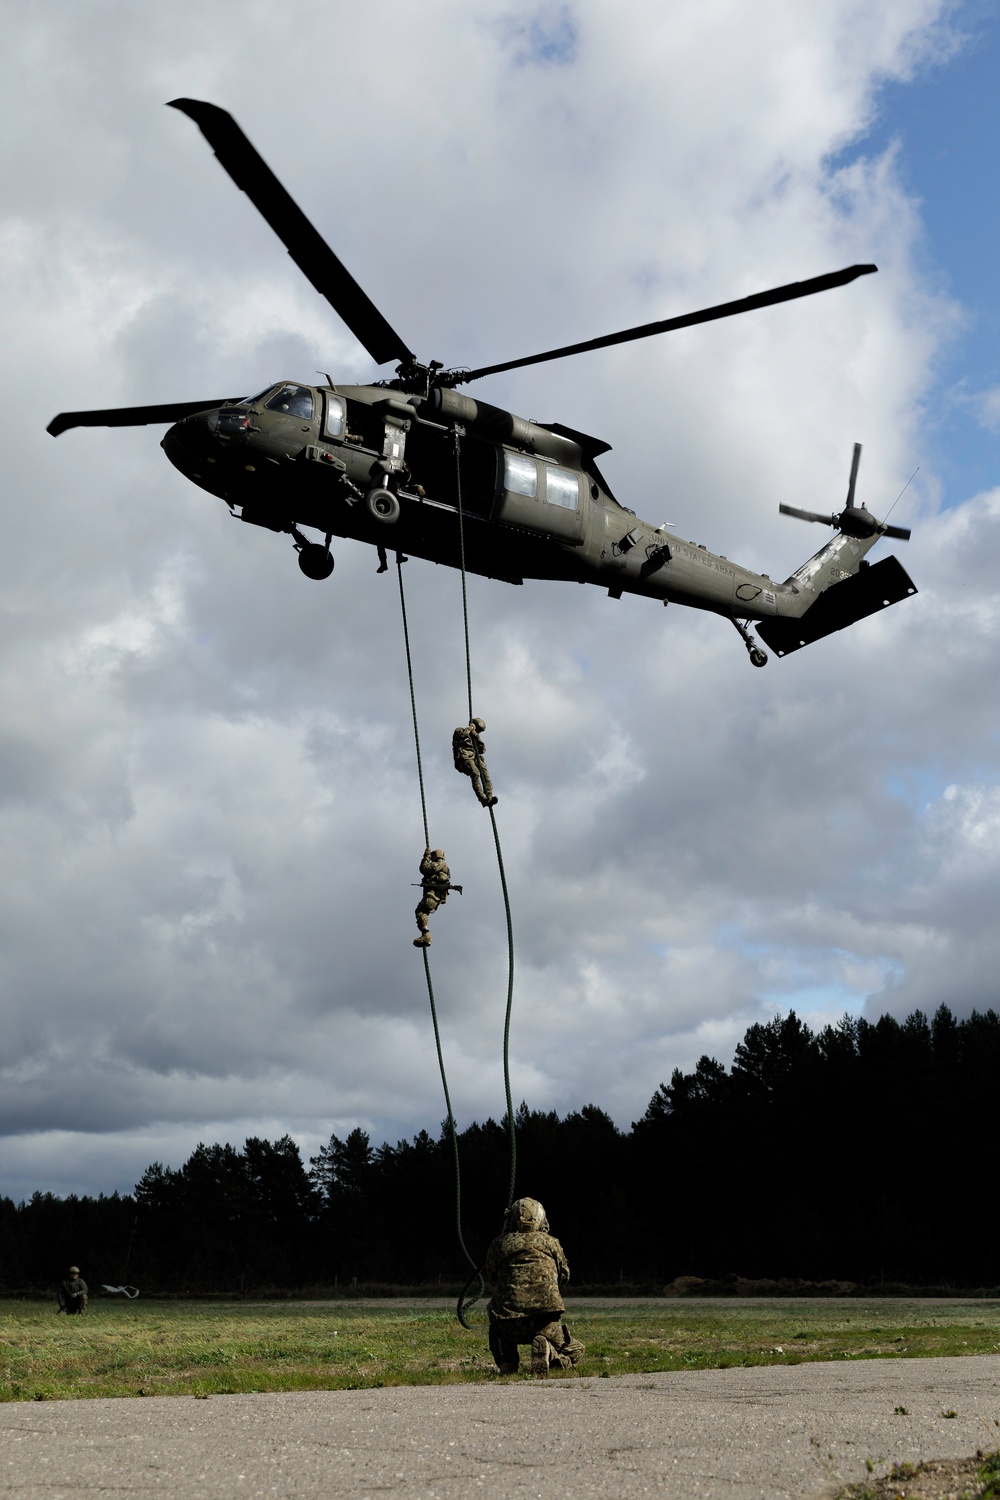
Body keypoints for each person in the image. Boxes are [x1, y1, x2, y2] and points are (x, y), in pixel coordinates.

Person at [483, 1197, 585, 1377]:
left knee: (497, 1329)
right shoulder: (551, 1242)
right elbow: (565, 1276)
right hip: (544, 1321)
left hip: (507, 1321)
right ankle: (552, 1356)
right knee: (576, 1351)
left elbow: (491, 1277)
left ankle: (507, 1364)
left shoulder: (499, 1244)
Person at [452, 718, 497, 808]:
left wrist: (477, 736)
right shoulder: (460, 730)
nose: (478, 731)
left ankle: (489, 796)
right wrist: (470, 728)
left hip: (474, 758)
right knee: (475, 773)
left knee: (485, 772)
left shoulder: (474, 736)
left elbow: (482, 750)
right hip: (463, 759)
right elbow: (462, 735)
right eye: (478, 729)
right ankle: (483, 799)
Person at [413, 848, 453, 948]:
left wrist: (426, 857)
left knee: (420, 912)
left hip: (432, 895)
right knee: (421, 913)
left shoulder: (440, 864)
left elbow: (425, 869)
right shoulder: (445, 867)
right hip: (435, 896)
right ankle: (425, 935)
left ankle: (426, 935)